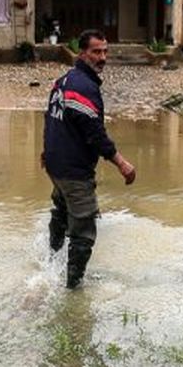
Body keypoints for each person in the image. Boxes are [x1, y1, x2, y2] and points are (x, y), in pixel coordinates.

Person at [42, 29, 136, 288]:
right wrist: (121, 163)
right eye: (96, 51)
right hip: (73, 170)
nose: (102, 57)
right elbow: (95, 135)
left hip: (56, 166)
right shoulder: (84, 87)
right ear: (82, 53)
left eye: (105, 51)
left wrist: (46, 152)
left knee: (61, 212)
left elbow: (50, 119)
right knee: (83, 229)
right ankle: (73, 288)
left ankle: (51, 263)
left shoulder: (62, 81)